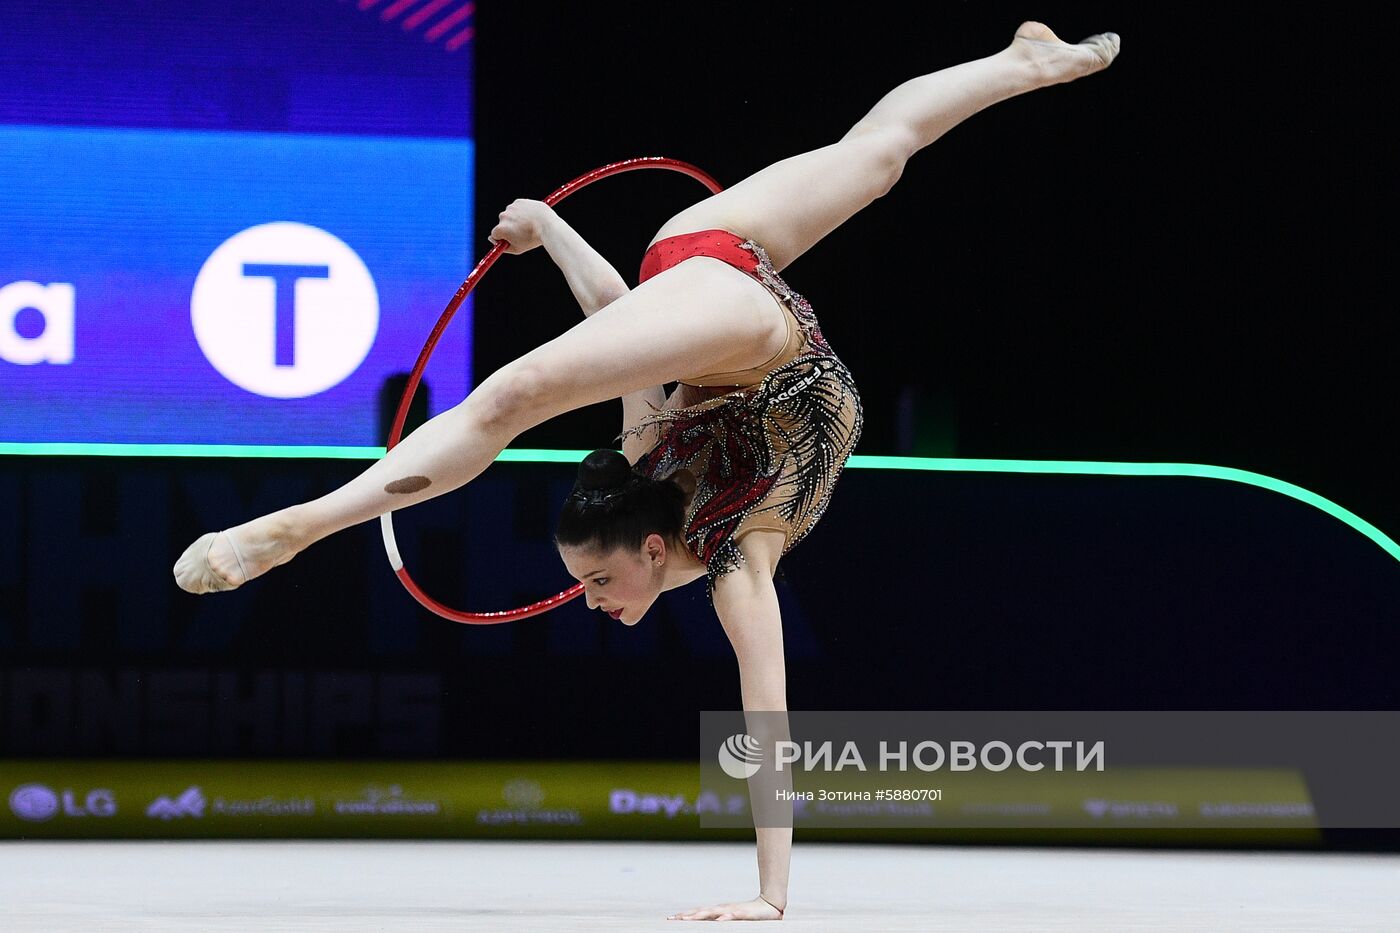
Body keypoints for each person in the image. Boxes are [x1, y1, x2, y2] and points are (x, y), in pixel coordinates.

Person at [174, 21, 1120, 920]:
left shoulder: (687, 504)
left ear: (653, 547)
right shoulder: (705, 527)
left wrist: (772, 895)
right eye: (589, 583)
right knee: (877, 156)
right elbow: (622, 309)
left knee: (515, 395)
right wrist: (548, 227)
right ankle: (1024, 61)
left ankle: (292, 527)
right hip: (713, 257)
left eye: (594, 579)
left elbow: (614, 320)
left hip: (751, 327)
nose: (590, 599)